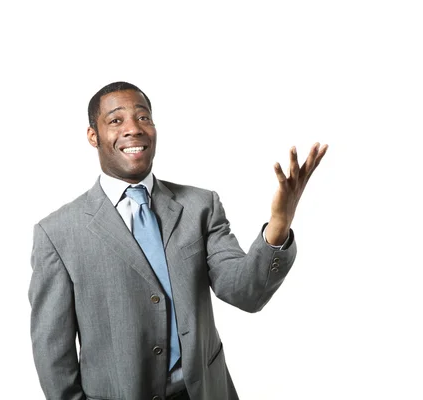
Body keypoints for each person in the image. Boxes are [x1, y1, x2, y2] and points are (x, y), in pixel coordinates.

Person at [29, 81, 328, 400]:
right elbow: (53, 355)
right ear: (93, 136)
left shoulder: (200, 206)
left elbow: (245, 292)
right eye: (116, 120)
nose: (133, 128)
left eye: (143, 117)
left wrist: (279, 226)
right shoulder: (58, 232)